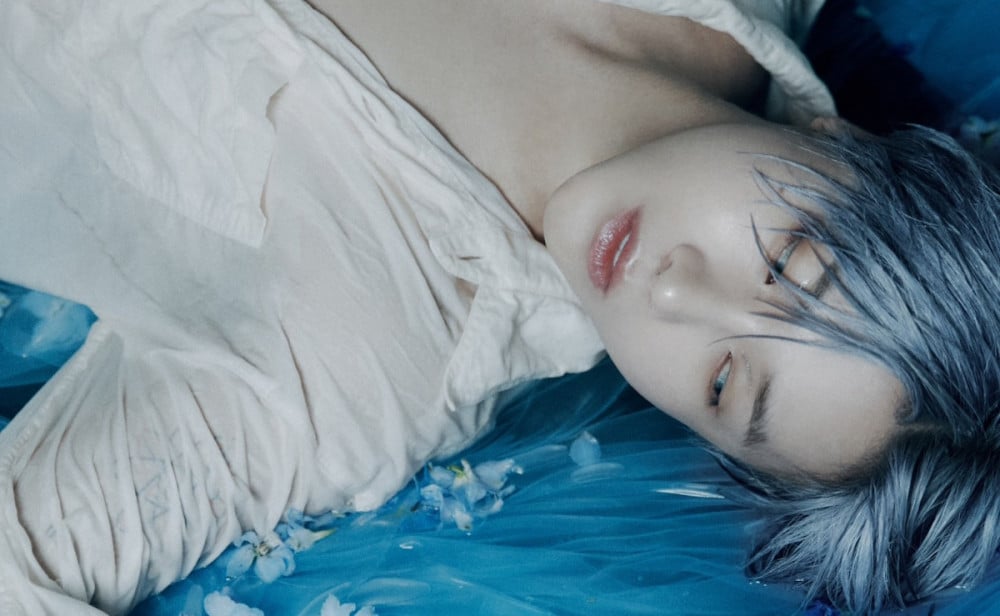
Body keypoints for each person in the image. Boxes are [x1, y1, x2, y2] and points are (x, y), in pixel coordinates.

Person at [0, 0, 996, 613]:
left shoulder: (358, 371)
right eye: (791, 262)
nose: (672, 290)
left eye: (725, 381)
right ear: (847, 147)